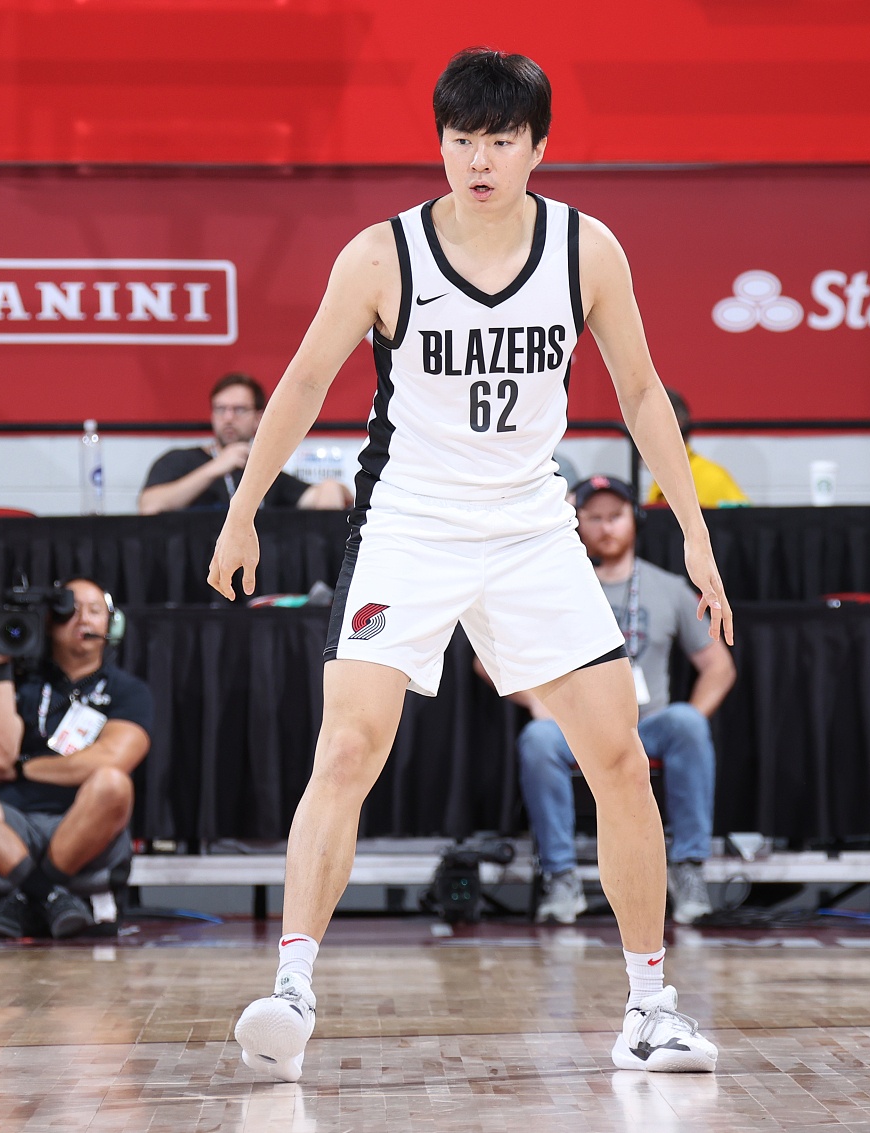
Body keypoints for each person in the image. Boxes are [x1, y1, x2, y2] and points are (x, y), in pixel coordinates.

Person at [209, 48, 732, 1080]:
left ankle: (648, 1008)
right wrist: (242, 510)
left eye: (500, 140)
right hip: (408, 522)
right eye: (461, 140)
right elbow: (303, 381)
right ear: (439, 143)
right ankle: (292, 991)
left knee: (619, 758)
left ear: (538, 147)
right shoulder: (381, 254)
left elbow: (640, 393)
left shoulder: (586, 249)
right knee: (346, 748)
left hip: (532, 526)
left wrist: (695, 532)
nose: (478, 160)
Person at [509, 475, 735, 926]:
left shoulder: (667, 587)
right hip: (576, 727)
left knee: (688, 725)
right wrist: (536, 701)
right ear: (576, 522)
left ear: (634, 520)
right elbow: (489, 657)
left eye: (615, 516)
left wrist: (694, 714)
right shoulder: (555, 586)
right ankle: (560, 877)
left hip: (646, 725)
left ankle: (688, 869)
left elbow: (719, 666)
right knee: (537, 738)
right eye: (594, 517)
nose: (606, 527)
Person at [0, 578, 153, 939]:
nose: (83, 619)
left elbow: (109, 760)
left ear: (112, 624)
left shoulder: (128, 690)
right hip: (14, 823)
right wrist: (1, 670)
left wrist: (23, 767)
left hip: (84, 822)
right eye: (70, 611)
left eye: (95, 611)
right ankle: (49, 895)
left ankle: (27, 894)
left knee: (113, 784)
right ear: (48, 623)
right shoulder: (20, 683)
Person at [139, 373, 351, 513]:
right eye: (221, 409)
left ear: (258, 418)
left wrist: (333, 488)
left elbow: (316, 497)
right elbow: (149, 505)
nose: (228, 418)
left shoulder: (264, 474)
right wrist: (214, 468)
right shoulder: (179, 460)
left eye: (239, 410)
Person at [644, 388, 747, 508]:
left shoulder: (713, 478)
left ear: (677, 425)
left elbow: (747, 518)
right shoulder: (661, 479)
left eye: (647, 424)